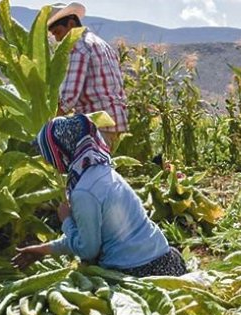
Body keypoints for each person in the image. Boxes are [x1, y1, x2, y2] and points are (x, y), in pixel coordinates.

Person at [12, 114, 186, 277]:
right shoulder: (102, 170)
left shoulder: (83, 192)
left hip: (136, 269)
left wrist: (66, 221)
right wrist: (43, 249)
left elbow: (88, 250)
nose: (48, 161)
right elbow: (87, 236)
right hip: (164, 257)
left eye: (48, 155)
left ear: (60, 151)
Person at [47, 2, 128, 148]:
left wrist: (47, 129)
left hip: (96, 126)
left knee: (86, 169)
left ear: (71, 24)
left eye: (58, 32)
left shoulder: (78, 45)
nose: (58, 39)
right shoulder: (102, 44)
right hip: (115, 122)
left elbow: (68, 97)